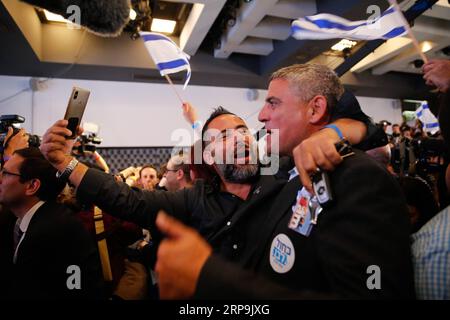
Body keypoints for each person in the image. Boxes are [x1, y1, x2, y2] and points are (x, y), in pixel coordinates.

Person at [154, 64, 414, 299]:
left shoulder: (358, 178)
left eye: (273, 103)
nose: (262, 115)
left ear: (315, 109)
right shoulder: (289, 175)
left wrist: (211, 278)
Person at [0, 147, 103, 299]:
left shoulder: (55, 231)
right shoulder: (27, 220)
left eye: (6, 173)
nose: (0, 178)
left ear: (32, 186)